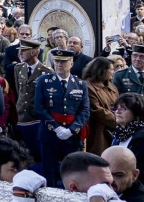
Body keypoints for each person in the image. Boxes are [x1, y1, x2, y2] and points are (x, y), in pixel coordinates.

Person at [33, 49, 90, 188]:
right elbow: (39, 107)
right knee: (49, 171)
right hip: (50, 134)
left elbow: (85, 110)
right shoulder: (44, 81)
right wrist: (56, 127)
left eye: (63, 62)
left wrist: (71, 130)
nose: (59, 64)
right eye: (57, 61)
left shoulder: (80, 84)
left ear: (71, 63)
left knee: (72, 171)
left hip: (72, 136)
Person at [82, 56, 119, 155]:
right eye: (111, 69)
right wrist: (118, 120)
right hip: (97, 134)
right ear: (101, 70)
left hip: (113, 130)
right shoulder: (88, 87)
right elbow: (96, 110)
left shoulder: (112, 86)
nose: (113, 72)